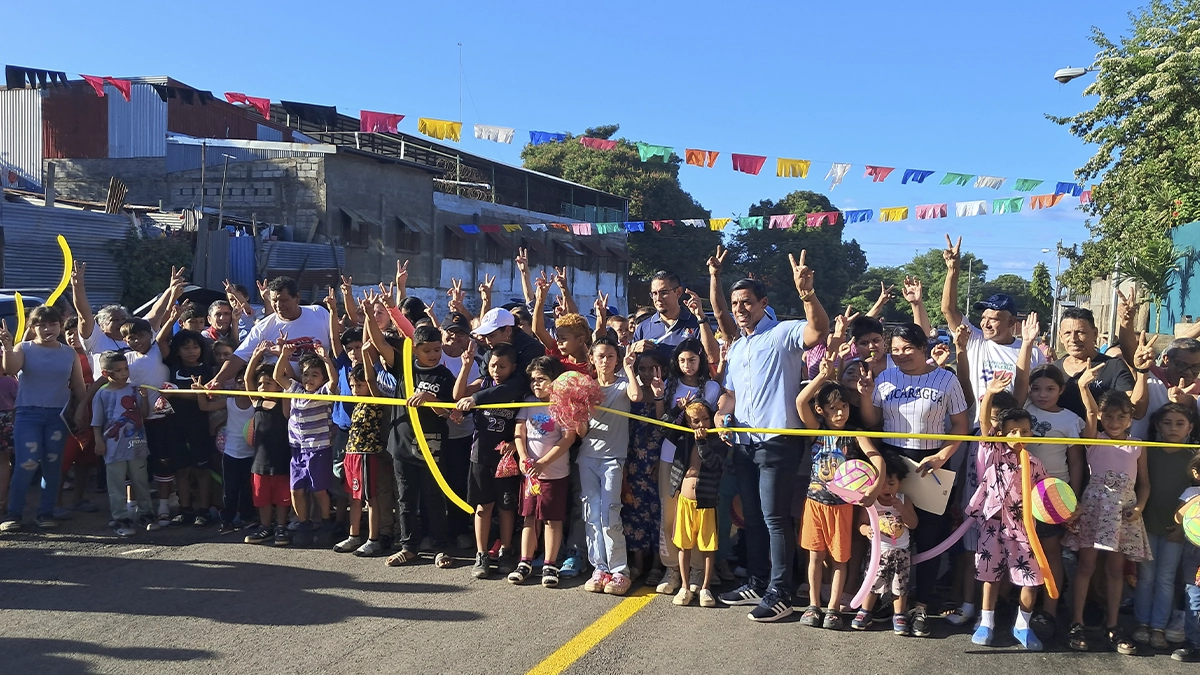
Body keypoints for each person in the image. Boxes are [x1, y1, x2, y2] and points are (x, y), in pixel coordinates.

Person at [715, 251, 829, 623]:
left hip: (778, 441)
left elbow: (818, 331)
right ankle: (757, 580)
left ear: (764, 303)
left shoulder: (782, 333)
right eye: (735, 303)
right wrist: (719, 413)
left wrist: (807, 294)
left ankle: (781, 591)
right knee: (752, 517)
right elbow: (730, 394)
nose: (739, 308)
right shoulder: (737, 347)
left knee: (774, 518)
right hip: (744, 444)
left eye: (746, 302)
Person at [859, 322, 968, 636]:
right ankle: (889, 601)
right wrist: (866, 395)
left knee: (930, 537)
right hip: (893, 462)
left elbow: (960, 425)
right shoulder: (885, 377)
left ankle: (922, 604)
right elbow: (872, 421)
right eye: (895, 350)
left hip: (932, 463)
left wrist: (942, 456)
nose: (901, 354)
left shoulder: (946, 379)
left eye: (908, 348)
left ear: (923, 347)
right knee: (891, 534)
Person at [795, 349, 886, 630]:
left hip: (842, 507)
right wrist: (822, 376)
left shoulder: (855, 432)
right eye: (833, 408)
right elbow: (801, 401)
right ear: (821, 410)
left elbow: (877, 459)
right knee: (815, 556)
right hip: (814, 503)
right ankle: (814, 605)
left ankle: (833, 608)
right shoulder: (817, 429)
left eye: (844, 407)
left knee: (839, 558)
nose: (839, 413)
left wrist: (875, 487)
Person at [1065, 363, 1151, 655]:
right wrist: (1083, 386)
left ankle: (1113, 624)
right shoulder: (1095, 439)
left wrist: (1139, 507)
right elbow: (1089, 413)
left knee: (1116, 570)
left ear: (1130, 417)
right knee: (1086, 566)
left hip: (1123, 513)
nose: (1114, 421)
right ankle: (1077, 622)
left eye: (1121, 416)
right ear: (1101, 417)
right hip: (1095, 509)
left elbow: (1144, 484)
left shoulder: (1138, 445)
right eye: (1109, 416)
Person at [966, 378, 1048, 651]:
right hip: (993, 525)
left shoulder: (1035, 464)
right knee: (989, 576)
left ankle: (1022, 625)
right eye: (1012, 431)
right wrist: (989, 394)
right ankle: (986, 622)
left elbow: (1046, 495)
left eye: (1024, 431)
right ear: (1001, 434)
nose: (1018, 436)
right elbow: (984, 423)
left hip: (1024, 529)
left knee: (1032, 577)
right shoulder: (994, 452)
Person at [0, 306, 87, 531]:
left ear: (60, 325)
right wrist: (8, 346)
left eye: (53, 324)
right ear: (32, 327)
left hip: (58, 416)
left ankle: (46, 512)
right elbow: (10, 368)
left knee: (53, 464)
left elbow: (78, 385)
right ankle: (14, 514)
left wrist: (83, 410)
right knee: (26, 463)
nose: (48, 329)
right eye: (42, 325)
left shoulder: (69, 353)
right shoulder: (24, 348)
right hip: (27, 414)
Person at [941, 234, 1045, 417]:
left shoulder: (1032, 352)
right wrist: (953, 270)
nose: (985, 324)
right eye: (983, 318)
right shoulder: (974, 339)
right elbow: (948, 310)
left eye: (993, 319)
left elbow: (1040, 390)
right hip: (975, 426)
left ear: (1011, 322)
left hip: (1011, 428)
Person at [578, 337, 646, 596]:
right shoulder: (586, 388)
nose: (605, 361)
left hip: (613, 459)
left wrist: (629, 369)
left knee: (610, 514)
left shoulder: (622, 384)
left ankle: (620, 571)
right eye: (600, 356)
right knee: (592, 514)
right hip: (587, 458)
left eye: (610, 356)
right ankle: (599, 567)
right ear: (592, 359)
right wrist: (578, 411)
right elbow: (582, 432)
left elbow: (636, 396)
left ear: (617, 359)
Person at [386, 325, 456, 567]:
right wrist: (371, 313)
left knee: (433, 497)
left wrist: (429, 399)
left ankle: (440, 547)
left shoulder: (444, 376)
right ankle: (408, 547)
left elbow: (448, 413)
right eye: (427, 350)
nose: (433, 354)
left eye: (437, 349)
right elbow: (380, 345)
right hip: (402, 445)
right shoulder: (404, 368)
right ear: (415, 350)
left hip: (432, 446)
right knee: (406, 498)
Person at [1023, 363, 1085, 631]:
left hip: (1053, 494)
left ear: (1061, 390)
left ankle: (1049, 609)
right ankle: (1022, 604)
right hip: (1021, 489)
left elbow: (1076, 461)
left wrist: (1075, 497)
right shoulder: (1024, 409)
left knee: (1051, 553)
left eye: (1050, 389)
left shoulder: (1070, 420)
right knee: (1025, 550)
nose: (1042, 394)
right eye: (1036, 388)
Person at [455, 342, 524, 579]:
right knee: (483, 507)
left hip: (506, 459)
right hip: (481, 456)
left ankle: (506, 550)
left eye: (502, 366)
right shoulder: (483, 383)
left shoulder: (517, 390)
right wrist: (465, 367)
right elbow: (457, 396)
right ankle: (481, 553)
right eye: (493, 365)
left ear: (513, 367)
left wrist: (514, 443)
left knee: (506, 506)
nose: (497, 370)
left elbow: (523, 423)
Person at [1133, 403, 1199, 649]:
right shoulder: (1147, 451)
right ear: (1158, 426)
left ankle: (1159, 626)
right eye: (1167, 423)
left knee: (1166, 578)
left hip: (1176, 531)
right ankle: (1142, 623)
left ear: (1190, 428)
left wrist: (1184, 528)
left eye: (1180, 423)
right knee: (1145, 578)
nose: (1173, 428)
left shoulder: (1193, 457)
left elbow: (1196, 499)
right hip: (1146, 525)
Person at [508, 357, 578, 587]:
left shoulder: (562, 405)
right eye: (533, 380)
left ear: (554, 381)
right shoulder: (528, 403)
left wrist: (544, 462)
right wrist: (523, 457)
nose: (535, 384)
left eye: (541, 379)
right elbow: (520, 432)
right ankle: (525, 561)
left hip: (554, 473)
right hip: (531, 473)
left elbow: (568, 438)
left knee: (552, 519)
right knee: (529, 517)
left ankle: (550, 563)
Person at [273, 341, 338, 543]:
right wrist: (284, 355)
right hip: (297, 447)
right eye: (306, 374)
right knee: (296, 489)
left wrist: (326, 359)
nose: (309, 379)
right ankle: (304, 523)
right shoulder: (296, 389)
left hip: (318, 448)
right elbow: (278, 377)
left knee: (319, 489)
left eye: (315, 375)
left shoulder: (324, 393)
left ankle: (326, 522)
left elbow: (334, 381)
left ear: (322, 379)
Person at [215, 276, 332, 388]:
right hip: (279, 394)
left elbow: (336, 342)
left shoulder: (319, 313)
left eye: (283, 300)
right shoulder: (263, 327)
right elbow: (238, 357)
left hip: (321, 391)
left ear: (297, 297)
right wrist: (217, 381)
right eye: (274, 301)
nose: (279, 305)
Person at [665, 400, 726, 607]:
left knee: (708, 546)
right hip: (684, 500)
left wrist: (702, 443)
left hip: (706, 501)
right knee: (684, 545)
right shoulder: (684, 438)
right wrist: (678, 410)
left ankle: (705, 587)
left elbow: (714, 463)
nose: (701, 425)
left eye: (706, 419)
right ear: (689, 423)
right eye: (696, 421)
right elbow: (665, 429)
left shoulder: (718, 441)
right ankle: (684, 586)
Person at [852, 451, 917, 635]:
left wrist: (902, 510)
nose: (886, 488)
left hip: (901, 551)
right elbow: (860, 524)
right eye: (881, 484)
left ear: (900, 483)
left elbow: (913, 523)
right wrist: (866, 530)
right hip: (879, 552)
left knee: (900, 585)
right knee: (873, 582)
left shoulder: (903, 500)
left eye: (891, 483)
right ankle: (865, 611)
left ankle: (899, 614)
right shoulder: (871, 503)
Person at [159, 320, 217, 527]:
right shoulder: (172, 367)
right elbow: (160, 341)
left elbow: (206, 397)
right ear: (178, 350)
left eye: (195, 347)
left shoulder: (209, 371)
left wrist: (175, 393)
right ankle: (185, 509)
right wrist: (171, 317)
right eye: (186, 347)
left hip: (200, 426)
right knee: (181, 470)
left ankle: (204, 510)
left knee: (202, 470)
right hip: (174, 425)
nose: (192, 351)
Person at [90, 351, 153, 537]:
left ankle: (146, 513)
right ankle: (121, 518)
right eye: (118, 370)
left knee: (141, 480)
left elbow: (144, 414)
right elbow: (96, 421)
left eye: (126, 369)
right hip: (113, 447)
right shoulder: (101, 394)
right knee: (116, 483)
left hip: (137, 443)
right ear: (105, 373)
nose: (124, 373)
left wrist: (144, 398)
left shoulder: (134, 389)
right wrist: (98, 440)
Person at [335, 348, 391, 558]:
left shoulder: (375, 399)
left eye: (359, 385)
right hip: (352, 453)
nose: (356, 389)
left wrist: (367, 355)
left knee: (370, 498)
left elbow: (370, 378)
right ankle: (354, 535)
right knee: (354, 497)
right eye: (353, 386)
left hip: (367, 454)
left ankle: (373, 539)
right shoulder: (357, 403)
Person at [242, 345, 292, 547]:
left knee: (282, 497)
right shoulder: (257, 403)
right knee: (261, 497)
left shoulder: (284, 403)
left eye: (268, 383)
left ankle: (281, 526)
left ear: (278, 386)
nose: (262, 386)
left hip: (281, 459)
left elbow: (288, 382)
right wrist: (255, 356)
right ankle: (265, 526)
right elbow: (248, 380)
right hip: (260, 462)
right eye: (261, 383)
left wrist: (282, 356)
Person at [438, 310, 480, 550]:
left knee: (458, 482)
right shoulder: (431, 354)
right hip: (434, 430)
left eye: (461, 333)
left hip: (462, 432)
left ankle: (460, 530)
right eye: (450, 332)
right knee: (432, 484)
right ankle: (435, 532)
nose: (454, 337)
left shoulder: (475, 360)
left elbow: (468, 393)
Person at [1055, 308, 1136, 419]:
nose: (1073, 339)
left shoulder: (1114, 367)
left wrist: (1142, 372)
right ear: (1060, 336)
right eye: (1067, 333)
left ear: (1095, 334)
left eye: (1080, 332)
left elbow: (1134, 409)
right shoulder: (1053, 371)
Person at [632, 270, 702, 362]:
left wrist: (702, 318)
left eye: (664, 293)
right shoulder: (643, 327)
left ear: (678, 292)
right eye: (654, 293)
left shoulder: (697, 324)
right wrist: (634, 349)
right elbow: (630, 363)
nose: (658, 298)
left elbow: (712, 358)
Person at [1171, 454, 1200, 662]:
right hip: (1195, 552)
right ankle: (1194, 643)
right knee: (1194, 596)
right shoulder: (1192, 493)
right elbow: (1178, 517)